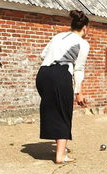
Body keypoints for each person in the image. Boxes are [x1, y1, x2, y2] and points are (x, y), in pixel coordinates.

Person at [36, 10, 90, 164]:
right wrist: (78, 92)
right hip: (60, 74)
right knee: (64, 112)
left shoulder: (58, 36)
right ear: (85, 28)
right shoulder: (83, 44)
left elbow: (43, 54)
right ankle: (60, 156)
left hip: (43, 74)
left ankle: (61, 149)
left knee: (53, 110)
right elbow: (79, 69)